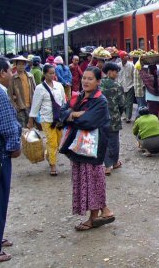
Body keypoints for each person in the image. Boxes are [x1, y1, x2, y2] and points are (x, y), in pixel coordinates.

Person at [59, 67, 115, 231]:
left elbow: (88, 122)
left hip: (92, 150)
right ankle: (104, 211)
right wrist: (75, 114)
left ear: (98, 82)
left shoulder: (100, 101)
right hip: (78, 148)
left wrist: (73, 115)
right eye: (84, 78)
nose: (85, 81)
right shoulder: (79, 96)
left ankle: (94, 218)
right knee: (88, 182)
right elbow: (61, 112)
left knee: (92, 182)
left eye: (90, 79)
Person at [0, 56, 22, 263]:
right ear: (1, 73)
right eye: (9, 70)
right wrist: (14, 147)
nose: (12, 73)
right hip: (0, 155)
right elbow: (6, 125)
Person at [27, 64, 66, 176]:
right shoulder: (40, 88)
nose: (53, 75)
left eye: (54, 73)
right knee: (52, 141)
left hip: (58, 119)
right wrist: (31, 120)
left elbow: (63, 102)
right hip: (46, 119)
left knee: (58, 141)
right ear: (44, 74)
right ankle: (53, 166)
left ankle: (49, 156)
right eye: (50, 73)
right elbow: (35, 106)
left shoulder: (59, 86)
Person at [100, 63, 125, 176]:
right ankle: (114, 163)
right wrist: (118, 113)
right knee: (114, 141)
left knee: (103, 141)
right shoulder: (117, 85)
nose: (116, 73)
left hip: (100, 118)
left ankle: (107, 165)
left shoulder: (98, 83)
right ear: (109, 71)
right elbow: (122, 103)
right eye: (115, 71)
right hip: (114, 118)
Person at [8, 56, 36, 127]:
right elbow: (10, 94)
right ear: (16, 65)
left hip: (31, 106)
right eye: (19, 64)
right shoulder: (12, 78)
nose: (21, 66)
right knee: (22, 127)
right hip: (20, 107)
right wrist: (14, 105)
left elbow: (35, 90)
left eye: (23, 64)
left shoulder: (30, 76)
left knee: (31, 127)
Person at [117, 51, 135, 123]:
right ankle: (126, 114)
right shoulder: (118, 66)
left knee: (129, 102)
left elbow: (133, 76)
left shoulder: (131, 65)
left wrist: (133, 85)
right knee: (123, 102)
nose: (127, 56)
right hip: (121, 86)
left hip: (130, 85)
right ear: (121, 58)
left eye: (127, 55)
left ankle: (128, 117)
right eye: (125, 56)